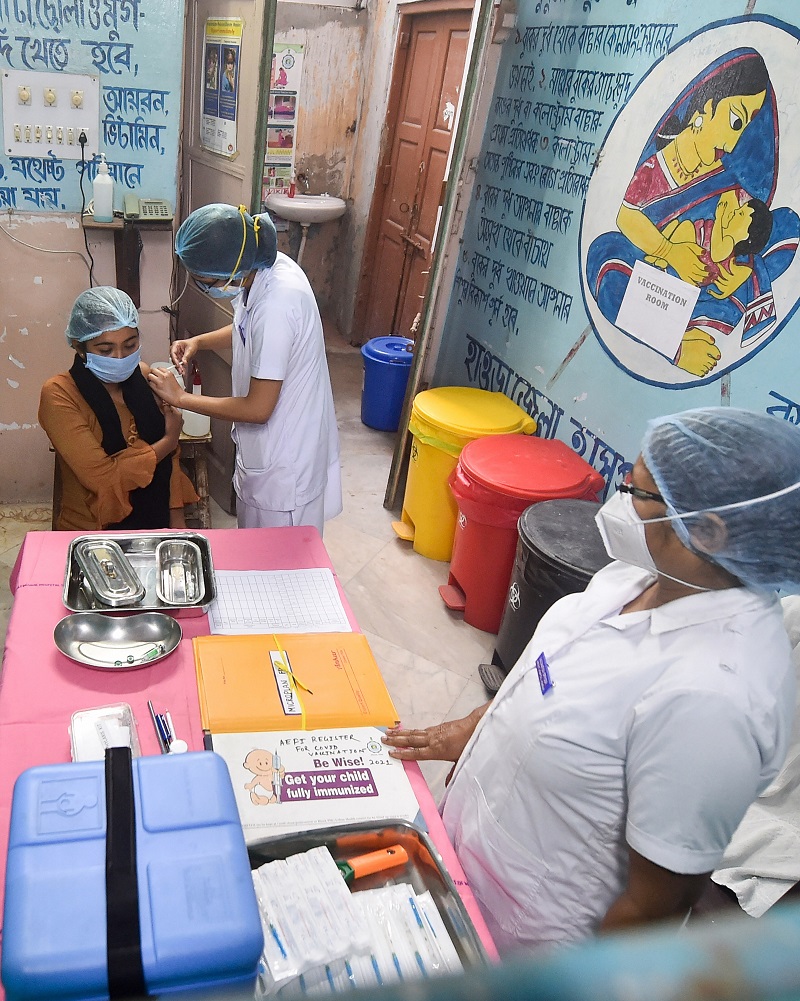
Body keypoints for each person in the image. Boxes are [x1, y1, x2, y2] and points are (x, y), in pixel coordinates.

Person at [384, 407, 800, 956]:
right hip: (465, 858)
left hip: (529, 938)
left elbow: (653, 907)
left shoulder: (713, 698)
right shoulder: (640, 576)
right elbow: (554, 675)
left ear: (708, 532)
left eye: (641, 493)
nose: (621, 502)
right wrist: (475, 729)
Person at [587, 48, 800, 378]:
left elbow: (745, 225)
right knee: (606, 260)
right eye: (735, 121)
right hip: (662, 282)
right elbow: (626, 218)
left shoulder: (725, 173)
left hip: (714, 278)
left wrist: (746, 268)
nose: (731, 145)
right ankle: (675, 343)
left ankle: (726, 298)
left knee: (786, 223)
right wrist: (671, 252)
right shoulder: (655, 170)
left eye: (743, 128)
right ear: (705, 106)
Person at [147, 203, 342, 534]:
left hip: (285, 464)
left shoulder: (278, 303)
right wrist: (199, 342)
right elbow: (246, 329)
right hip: (272, 451)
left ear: (230, 269)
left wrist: (180, 398)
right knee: (256, 556)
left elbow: (258, 408)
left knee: (278, 568)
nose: (199, 284)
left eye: (203, 279)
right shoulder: (262, 267)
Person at [39, 287, 197, 531]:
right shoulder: (60, 394)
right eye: (105, 350)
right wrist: (168, 441)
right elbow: (103, 479)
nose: (120, 357)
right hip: (93, 530)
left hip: (155, 522)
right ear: (79, 347)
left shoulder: (143, 375)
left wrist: (176, 525)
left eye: (130, 345)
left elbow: (169, 465)